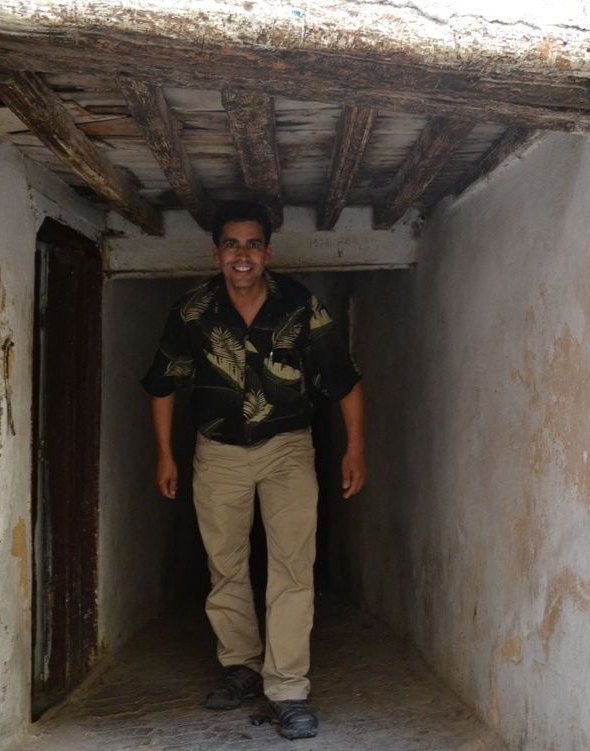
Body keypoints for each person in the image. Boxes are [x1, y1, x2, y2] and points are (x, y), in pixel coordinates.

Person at [141, 200, 366, 740]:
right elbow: (163, 384)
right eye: (232, 244)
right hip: (217, 452)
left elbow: (344, 378)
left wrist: (355, 448)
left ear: (267, 252)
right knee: (226, 563)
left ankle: (287, 688)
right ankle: (241, 665)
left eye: (252, 244)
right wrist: (165, 454)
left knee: (293, 567)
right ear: (216, 252)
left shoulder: (300, 305)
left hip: (288, 448)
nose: (242, 255)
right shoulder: (192, 311)